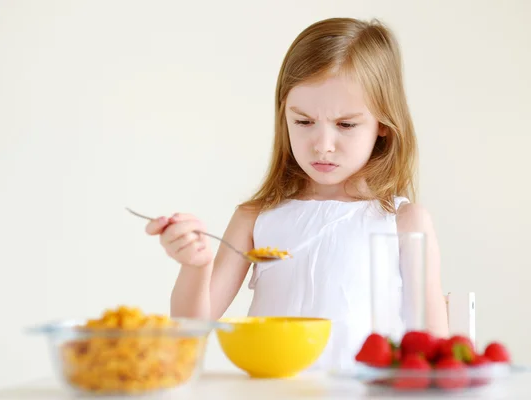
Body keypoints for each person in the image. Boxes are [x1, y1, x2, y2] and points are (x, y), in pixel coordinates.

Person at [145, 17, 449, 371]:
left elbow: (433, 349)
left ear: (383, 123)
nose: (322, 146)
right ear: (283, 116)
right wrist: (196, 266)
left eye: (346, 125)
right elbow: (189, 331)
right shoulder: (256, 217)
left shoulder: (404, 221)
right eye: (303, 122)